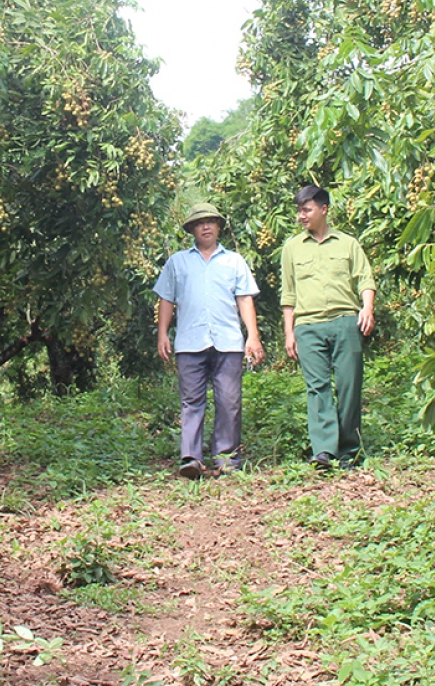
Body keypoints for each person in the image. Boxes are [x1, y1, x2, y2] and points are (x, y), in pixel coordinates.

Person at [154, 201, 265, 478]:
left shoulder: (234, 261)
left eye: (210, 222)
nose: (205, 227)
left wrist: (253, 336)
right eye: (199, 223)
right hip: (190, 343)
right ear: (192, 229)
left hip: (227, 342)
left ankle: (226, 458)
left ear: (218, 227)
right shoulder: (177, 262)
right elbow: (166, 299)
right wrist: (162, 334)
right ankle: (191, 457)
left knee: (229, 401)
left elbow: (245, 299)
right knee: (191, 401)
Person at [280, 185, 375, 470]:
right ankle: (324, 451)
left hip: (345, 322)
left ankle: (349, 450)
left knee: (349, 386)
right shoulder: (292, 248)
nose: (301, 216)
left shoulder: (348, 244)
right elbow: (288, 295)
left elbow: (365, 280)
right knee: (317, 388)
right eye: (299, 210)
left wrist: (367, 308)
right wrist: (289, 332)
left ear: (324, 209)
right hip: (307, 326)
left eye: (306, 210)